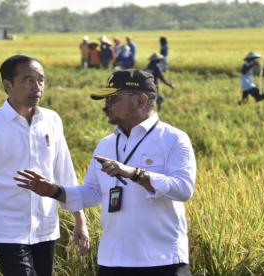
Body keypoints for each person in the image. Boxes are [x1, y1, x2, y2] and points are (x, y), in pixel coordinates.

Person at [15, 69, 196, 276]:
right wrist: (55, 191)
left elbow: (183, 189)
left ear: (141, 100)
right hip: (113, 260)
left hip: (162, 260)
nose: (106, 105)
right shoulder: (106, 144)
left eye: (113, 98)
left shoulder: (173, 139)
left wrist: (135, 174)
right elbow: (93, 192)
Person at [0, 55, 89, 276]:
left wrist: (80, 220)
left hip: (46, 227)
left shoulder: (52, 120)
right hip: (7, 228)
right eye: (28, 80)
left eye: (41, 80)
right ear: (7, 86)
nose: (36, 86)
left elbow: (65, 171)